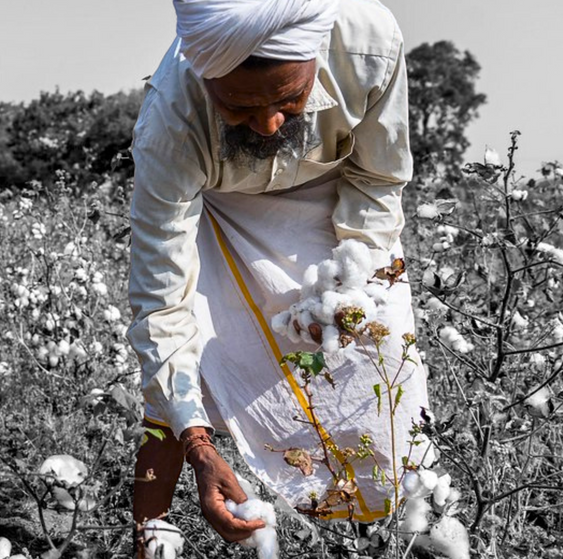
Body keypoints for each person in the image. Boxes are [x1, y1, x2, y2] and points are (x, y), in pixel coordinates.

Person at [128, 0, 432, 550]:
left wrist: (349, 287)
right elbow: (160, 301)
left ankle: (388, 536)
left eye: (290, 100)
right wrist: (198, 442)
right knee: (180, 378)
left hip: (338, 205)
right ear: (205, 78)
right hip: (221, 211)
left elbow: (379, 177)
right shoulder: (171, 122)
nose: (268, 124)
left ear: (317, 55)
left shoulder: (369, 43)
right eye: (240, 108)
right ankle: (150, 532)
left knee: (383, 372)